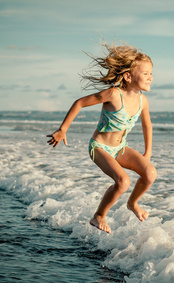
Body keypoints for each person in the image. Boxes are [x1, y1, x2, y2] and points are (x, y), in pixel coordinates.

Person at [47, 42, 157, 234]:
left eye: (151, 73)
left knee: (150, 173)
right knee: (123, 182)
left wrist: (147, 152)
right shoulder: (114, 94)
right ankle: (99, 215)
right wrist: (63, 129)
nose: (150, 77)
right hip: (100, 148)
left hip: (120, 147)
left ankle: (132, 203)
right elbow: (79, 103)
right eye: (146, 73)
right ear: (128, 76)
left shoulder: (143, 101)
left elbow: (147, 125)